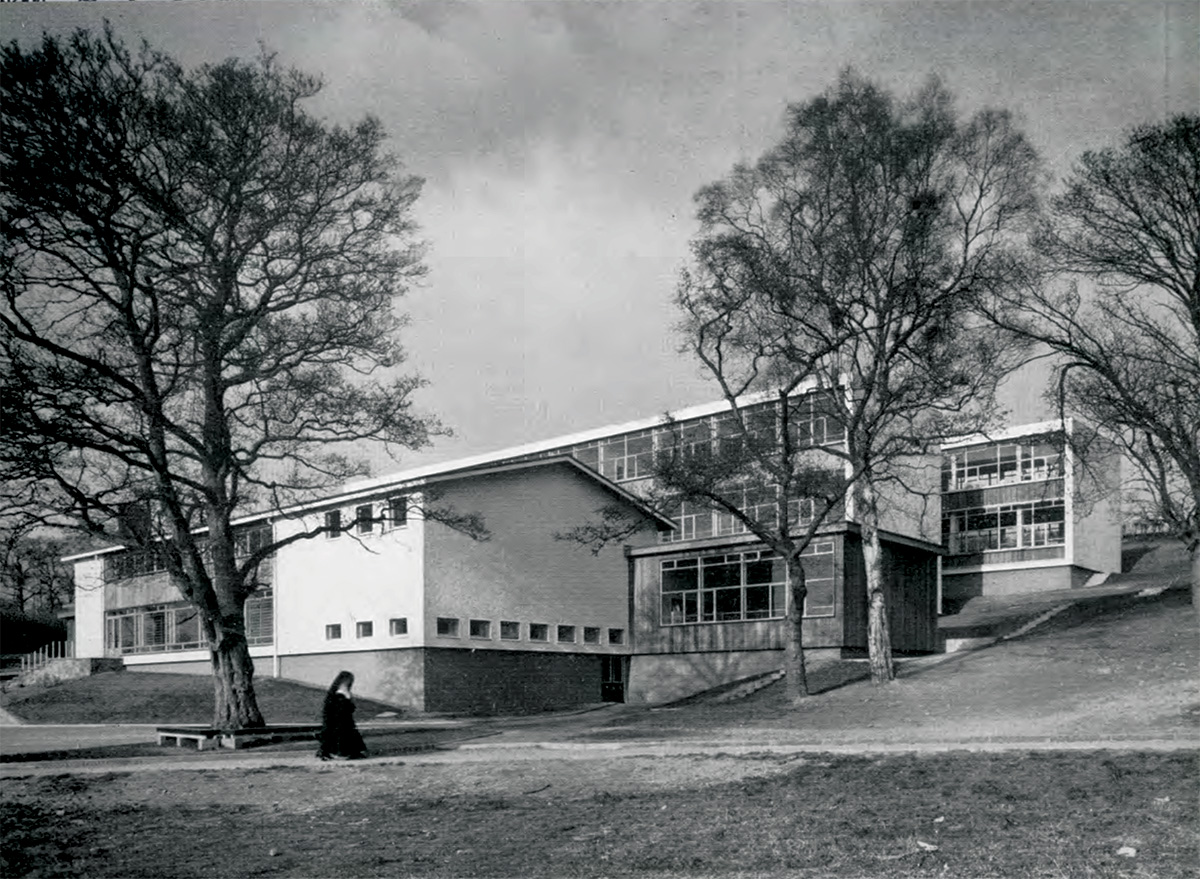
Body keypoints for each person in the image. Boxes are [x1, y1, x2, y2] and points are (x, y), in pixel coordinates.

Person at [316, 670, 368, 761]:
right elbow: (335, 709)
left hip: (345, 720)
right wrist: (347, 698)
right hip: (336, 720)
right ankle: (337, 753)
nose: (348, 682)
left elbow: (350, 709)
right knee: (340, 736)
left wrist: (348, 698)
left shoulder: (344, 692)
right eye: (346, 680)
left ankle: (347, 753)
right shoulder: (336, 694)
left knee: (348, 735)